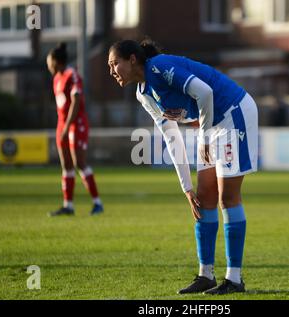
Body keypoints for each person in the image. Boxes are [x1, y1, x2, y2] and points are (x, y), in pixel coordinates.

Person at [108, 39, 259, 295]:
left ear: (132, 59)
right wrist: (186, 187)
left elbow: (206, 93)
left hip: (234, 114)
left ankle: (234, 279)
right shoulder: (143, 94)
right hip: (211, 125)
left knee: (227, 198)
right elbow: (171, 135)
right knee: (203, 197)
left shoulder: (159, 67)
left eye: (114, 64)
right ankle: (206, 275)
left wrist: (204, 137)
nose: (111, 71)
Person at [46, 43, 103, 216]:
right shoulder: (57, 78)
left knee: (79, 162)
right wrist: (62, 126)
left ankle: (97, 203)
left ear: (56, 61)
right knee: (66, 165)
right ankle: (68, 205)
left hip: (76, 124)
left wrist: (68, 126)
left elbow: (76, 101)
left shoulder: (73, 75)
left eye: (49, 62)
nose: (48, 65)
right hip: (62, 124)